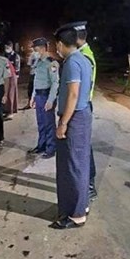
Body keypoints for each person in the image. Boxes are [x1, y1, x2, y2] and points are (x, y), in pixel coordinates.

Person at [50, 24, 93, 230]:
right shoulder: (84, 60)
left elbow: (73, 95)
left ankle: (76, 215)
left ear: (60, 44)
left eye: (56, 45)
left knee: (72, 166)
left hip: (74, 118)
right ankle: (81, 206)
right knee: (80, 164)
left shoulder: (71, 63)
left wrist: (63, 123)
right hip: (82, 116)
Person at [64, 21, 99, 200]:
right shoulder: (85, 53)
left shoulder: (82, 57)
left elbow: (74, 92)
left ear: (76, 38)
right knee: (82, 149)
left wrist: (63, 122)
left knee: (82, 150)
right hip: (83, 104)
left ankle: (89, 185)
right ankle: (87, 184)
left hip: (81, 106)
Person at [28, 37, 60, 158]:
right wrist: (33, 98)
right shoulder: (38, 62)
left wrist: (51, 100)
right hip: (39, 96)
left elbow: (55, 83)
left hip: (47, 96)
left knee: (49, 124)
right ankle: (41, 146)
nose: (33, 52)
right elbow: (36, 82)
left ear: (42, 49)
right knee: (41, 123)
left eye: (35, 50)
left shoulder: (52, 63)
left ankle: (51, 148)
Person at [4, 41, 21, 119]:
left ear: (11, 47)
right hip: (5, 76)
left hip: (12, 76)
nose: (6, 49)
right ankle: (7, 110)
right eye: (5, 48)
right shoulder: (4, 55)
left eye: (8, 47)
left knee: (11, 93)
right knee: (6, 93)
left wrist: (16, 75)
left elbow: (17, 66)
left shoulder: (15, 55)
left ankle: (11, 111)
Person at [21, 44, 39, 110]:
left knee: (30, 89)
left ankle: (30, 103)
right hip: (39, 74)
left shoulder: (32, 55)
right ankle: (36, 103)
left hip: (33, 73)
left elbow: (29, 64)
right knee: (37, 89)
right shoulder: (41, 54)